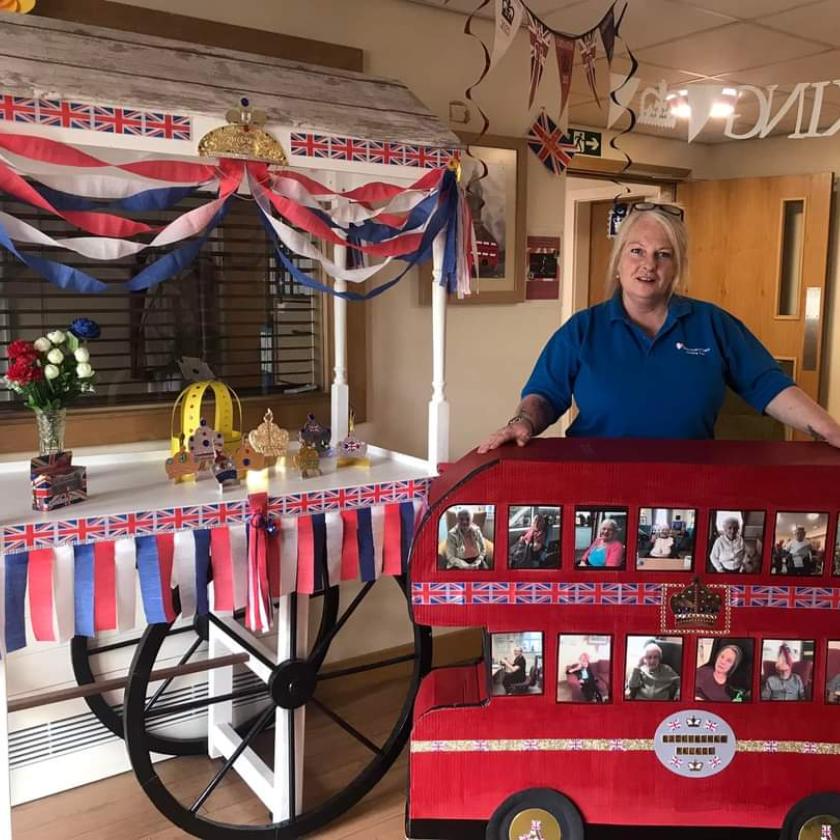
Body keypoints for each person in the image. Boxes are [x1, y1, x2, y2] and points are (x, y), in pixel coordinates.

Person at [477, 203, 840, 452]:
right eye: (636, 251)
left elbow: (769, 386)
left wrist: (830, 429)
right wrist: (522, 422)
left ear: (676, 266)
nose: (648, 265)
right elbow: (545, 395)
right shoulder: (582, 330)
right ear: (618, 262)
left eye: (662, 254)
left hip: (690, 484)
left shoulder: (713, 324)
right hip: (595, 482)